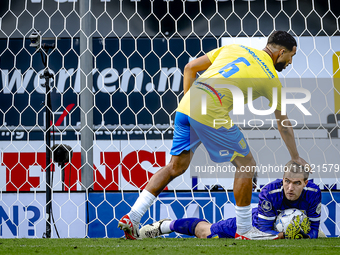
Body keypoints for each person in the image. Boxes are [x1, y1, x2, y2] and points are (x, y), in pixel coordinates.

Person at [118, 31, 309, 240]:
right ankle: (245, 230)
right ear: (281, 52)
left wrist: (191, 104)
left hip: (187, 106)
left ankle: (133, 217)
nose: (290, 62)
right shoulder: (271, 78)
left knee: (175, 167)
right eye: (292, 56)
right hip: (209, 109)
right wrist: (295, 157)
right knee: (247, 164)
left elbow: (190, 68)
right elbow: (283, 124)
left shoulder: (235, 48)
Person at [140, 161, 322, 239]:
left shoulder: (314, 193)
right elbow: (262, 232)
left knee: (319, 236)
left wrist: (302, 234)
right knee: (206, 233)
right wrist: (288, 235)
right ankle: (165, 226)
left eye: (297, 183)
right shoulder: (270, 193)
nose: (290, 188)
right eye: (287, 181)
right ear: (282, 178)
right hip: (253, 224)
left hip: (279, 231)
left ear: (305, 183)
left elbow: (313, 229)